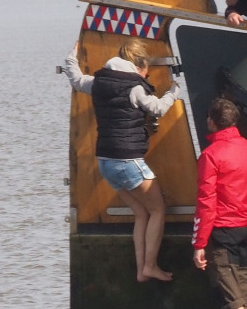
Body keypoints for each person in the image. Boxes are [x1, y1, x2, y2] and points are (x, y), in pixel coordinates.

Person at [65, 38, 180, 282]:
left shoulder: (98, 82)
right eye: (146, 71)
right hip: (127, 160)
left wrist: (71, 58)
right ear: (138, 66)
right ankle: (150, 265)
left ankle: (141, 271)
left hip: (105, 161)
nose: (146, 76)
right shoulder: (134, 87)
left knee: (141, 213)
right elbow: (157, 109)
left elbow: (76, 79)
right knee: (158, 209)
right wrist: (173, 92)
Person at [192, 97, 247, 309]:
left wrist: (199, 244)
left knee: (234, 301)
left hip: (223, 233)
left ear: (211, 122)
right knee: (244, 298)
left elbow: (206, 202)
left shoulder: (210, 155)